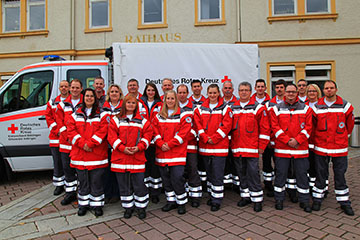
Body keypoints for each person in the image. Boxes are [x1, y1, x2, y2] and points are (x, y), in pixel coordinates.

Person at [312, 80, 355, 216]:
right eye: (326, 88)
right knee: (320, 175)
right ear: (323, 91)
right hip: (321, 147)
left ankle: (344, 202)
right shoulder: (317, 106)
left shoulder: (345, 106)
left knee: (340, 175)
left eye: (331, 88)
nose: (329, 90)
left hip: (339, 148)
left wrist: (343, 137)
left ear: (336, 89)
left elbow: (349, 125)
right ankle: (317, 200)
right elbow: (312, 126)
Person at [107, 94, 153, 219]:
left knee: (139, 184)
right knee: (124, 185)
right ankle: (128, 207)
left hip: (137, 157)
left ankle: (141, 207)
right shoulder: (116, 120)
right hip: (120, 158)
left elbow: (148, 135)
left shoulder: (143, 121)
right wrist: (123, 148)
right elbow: (111, 137)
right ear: (124, 104)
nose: (131, 105)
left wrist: (140, 147)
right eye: (128, 103)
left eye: (133, 103)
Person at [270, 83, 313, 213]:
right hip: (282, 149)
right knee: (281, 175)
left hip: (300, 149)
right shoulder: (276, 109)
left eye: (293, 92)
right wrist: (287, 140)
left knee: (302, 175)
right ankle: (279, 199)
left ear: (297, 93)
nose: (290, 94)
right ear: (284, 93)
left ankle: (304, 201)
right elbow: (275, 128)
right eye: (288, 92)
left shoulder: (306, 109)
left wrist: (298, 140)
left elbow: (308, 128)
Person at [67, 88, 109, 217]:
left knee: (96, 181)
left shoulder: (102, 114)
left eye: (91, 96)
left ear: (95, 98)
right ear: (83, 98)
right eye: (87, 96)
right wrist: (82, 144)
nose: (89, 98)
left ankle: (97, 205)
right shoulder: (75, 114)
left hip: (96, 154)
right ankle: (83, 204)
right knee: (83, 181)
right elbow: (70, 131)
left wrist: (90, 144)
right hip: (80, 155)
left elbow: (103, 131)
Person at [231, 82, 270, 212]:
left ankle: (257, 199)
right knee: (241, 174)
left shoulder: (258, 108)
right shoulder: (233, 108)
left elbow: (265, 129)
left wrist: (261, 146)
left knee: (253, 174)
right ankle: (245, 196)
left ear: (250, 91)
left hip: (252, 148)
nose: (243, 92)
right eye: (241, 90)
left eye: (246, 90)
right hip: (237, 148)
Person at [194, 84, 233, 211]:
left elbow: (226, 126)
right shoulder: (200, 109)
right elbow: (197, 125)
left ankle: (217, 200)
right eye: (210, 93)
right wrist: (205, 137)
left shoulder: (226, 108)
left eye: (214, 93)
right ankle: (212, 195)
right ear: (207, 93)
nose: (212, 95)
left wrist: (214, 138)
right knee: (209, 174)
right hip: (205, 147)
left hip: (219, 148)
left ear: (218, 93)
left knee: (217, 174)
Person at [152, 90, 191, 215]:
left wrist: (168, 144)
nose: (170, 101)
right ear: (165, 100)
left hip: (176, 154)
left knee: (177, 178)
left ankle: (181, 202)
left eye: (172, 98)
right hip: (162, 154)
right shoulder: (158, 116)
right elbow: (154, 131)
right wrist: (160, 143)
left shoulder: (183, 115)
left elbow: (183, 134)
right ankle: (171, 201)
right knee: (166, 179)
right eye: (168, 99)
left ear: (176, 100)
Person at [56, 79, 83, 205]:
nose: (75, 90)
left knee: (81, 170)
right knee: (67, 169)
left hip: (79, 144)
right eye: (73, 87)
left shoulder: (86, 102)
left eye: (77, 88)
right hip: (66, 143)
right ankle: (70, 193)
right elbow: (59, 122)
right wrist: (67, 135)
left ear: (81, 89)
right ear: (69, 89)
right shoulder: (62, 104)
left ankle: (82, 192)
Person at [177, 84, 202, 207]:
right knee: (180, 172)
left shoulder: (194, 108)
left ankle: (195, 196)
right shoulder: (173, 107)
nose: (182, 95)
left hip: (190, 145)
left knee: (192, 169)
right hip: (176, 147)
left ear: (188, 93)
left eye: (184, 92)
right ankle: (183, 193)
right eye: (179, 93)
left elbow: (197, 126)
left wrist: (183, 136)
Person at [139, 83, 163, 203]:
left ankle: (155, 192)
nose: (150, 92)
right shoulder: (139, 103)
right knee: (145, 167)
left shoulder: (160, 104)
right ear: (145, 91)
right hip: (144, 141)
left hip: (156, 142)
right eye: (148, 90)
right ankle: (146, 190)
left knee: (155, 168)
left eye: (153, 90)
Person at [263, 79, 287, 198]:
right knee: (267, 165)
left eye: (281, 87)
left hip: (283, 142)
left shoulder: (290, 104)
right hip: (270, 141)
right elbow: (265, 124)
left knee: (281, 166)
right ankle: (269, 185)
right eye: (277, 87)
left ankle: (281, 186)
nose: (279, 89)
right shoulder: (268, 104)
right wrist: (266, 139)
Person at [45, 80, 69, 195]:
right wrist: (58, 130)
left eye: (66, 86)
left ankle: (70, 184)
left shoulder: (72, 101)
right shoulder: (53, 102)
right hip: (56, 138)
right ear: (59, 88)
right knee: (58, 162)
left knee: (68, 163)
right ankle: (59, 185)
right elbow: (49, 118)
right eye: (62, 86)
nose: (64, 88)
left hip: (68, 139)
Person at [102, 84, 124, 204]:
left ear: (120, 94)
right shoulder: (102, 108)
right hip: (105, 144)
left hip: (118, 145)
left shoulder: (123, 108)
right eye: (112, 92)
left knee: (117, 170)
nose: (114, 93)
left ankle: (116, 193)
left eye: (116, 91)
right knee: (106, 171)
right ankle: (107, 193)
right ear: (108, 94)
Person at [250, 79, 272, 196]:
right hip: (252, 139)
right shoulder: (250, 101)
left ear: (265, 88)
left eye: (262, 86)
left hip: (266, 137)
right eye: (258, 86)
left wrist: (266, 140)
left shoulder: (271, 102)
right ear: (255, 88)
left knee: (267, 162)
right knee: (255, 165)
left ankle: (268, 184)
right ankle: (257, 183)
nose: (260, 88)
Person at [305, 84, 322, 192]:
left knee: (320, 166)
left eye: (314, 91)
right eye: (310, 91)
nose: (312, 93)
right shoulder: (303, 105)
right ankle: (310, 185)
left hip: (319, 141)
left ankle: (321, 187)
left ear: (318, 92)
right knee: (308, 165)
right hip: (306, 141)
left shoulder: (322, 105)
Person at [221, 81, 238, 188]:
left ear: (233, 90)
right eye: (225, 88)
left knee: (235, 162)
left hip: (235, 137)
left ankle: (236, 183)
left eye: (229, 88)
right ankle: (226, 183)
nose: (227, 90)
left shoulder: (237, 103)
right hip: (222, 137)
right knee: (225, 162)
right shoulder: (219, 102)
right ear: (222, 90)